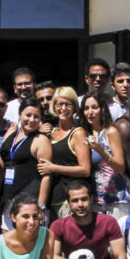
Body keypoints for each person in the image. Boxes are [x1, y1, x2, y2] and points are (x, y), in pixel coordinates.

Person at [50, 181, 127, 259]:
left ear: (91, 199)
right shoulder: (58, 225)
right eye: (75, 200)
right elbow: (53, 256)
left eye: (84, 199)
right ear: (69, 203)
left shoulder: (108, 222)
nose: (80, 204)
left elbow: (121, 256)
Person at [0, 98, 52, 231]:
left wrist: (40, 206)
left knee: (29, 241)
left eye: (36, 116)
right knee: (7, 239)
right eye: (28, 115)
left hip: (29, 202)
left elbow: (46, 175)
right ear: (19, 114)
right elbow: (1, 166)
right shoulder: (11, 133)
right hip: (8, 199)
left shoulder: (41, 140)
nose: (31, 120)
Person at [38, 87, 91, 220]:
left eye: (68, 104)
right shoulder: (52, 133)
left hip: (71, 201)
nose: (63, 108)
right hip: (53, 199)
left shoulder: (78, 133)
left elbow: (85, 170)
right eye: (59, 104)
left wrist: (53, 168)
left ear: (74, 107)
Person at [80, 91, 130, 217]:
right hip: (95, 201)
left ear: (102, 109)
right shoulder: (85, 133)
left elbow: (120, 167)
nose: (90, 112)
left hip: (116, 199)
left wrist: (101, 152)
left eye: (94, 107)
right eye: (86, 108)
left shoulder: (110, 131)